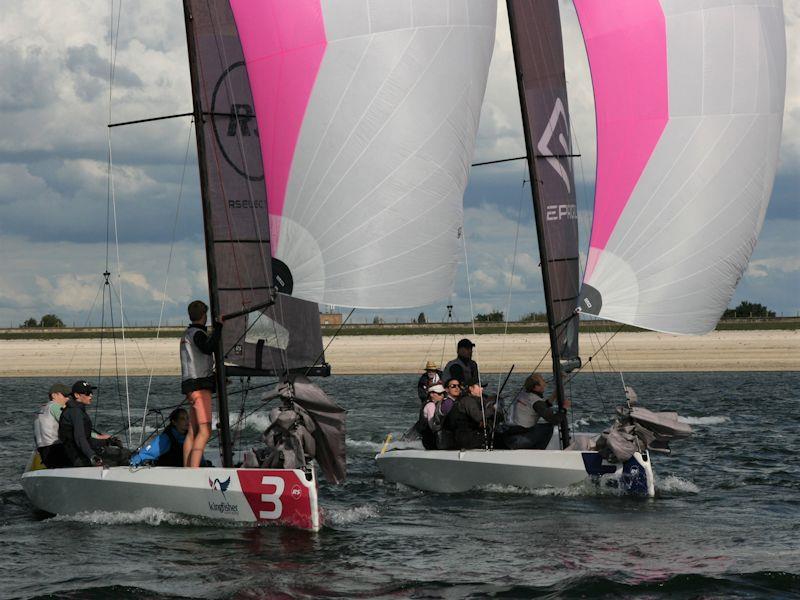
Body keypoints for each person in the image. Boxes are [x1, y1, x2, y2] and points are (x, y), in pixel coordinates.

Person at [180, 300, 222, 468]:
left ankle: (187, 468)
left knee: (193, 430)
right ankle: (194, 471)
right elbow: (208, 347)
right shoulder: (197, 334)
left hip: (190, 387)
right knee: (205, 431)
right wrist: (219, 328)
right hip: (199, 388)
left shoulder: (186, 334)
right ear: (204, 316)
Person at [59, 380, 130, 467]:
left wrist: (107, 442)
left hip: (84, 452)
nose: (91, 395)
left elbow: (86, 440)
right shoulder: (75, 412)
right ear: (77, 395)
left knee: (126, 453)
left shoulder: (77, 409)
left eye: (91, 392)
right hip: (79, 458)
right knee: (124, 459)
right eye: (87, 393)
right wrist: (92, 456)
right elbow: (80, 439)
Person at [502, 373, 568, 450]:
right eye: (543, 381)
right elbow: (554, 420)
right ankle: (538, 451)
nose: (545, 383)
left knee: (537, 426)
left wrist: (556, 392)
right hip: (518, 440)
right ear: (536, 387)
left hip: (508, 434)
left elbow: (543, 406)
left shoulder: (523, 394)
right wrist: (564, 409)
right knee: (548, 427)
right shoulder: (536, 401)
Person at [443, 377, 497, 450]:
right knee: (497, 438)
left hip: (469, 435)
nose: (482, 389)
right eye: (479, 386)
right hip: (464, 439)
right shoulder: (467, 400)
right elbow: (478, 417)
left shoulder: (476, 400)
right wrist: (492, 409)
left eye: (482, 387)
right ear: (471, 388)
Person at [33, 383, 71, 468]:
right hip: (55, 449)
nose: (68, 398)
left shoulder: (41, 409)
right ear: (54, 395)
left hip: (42, 451)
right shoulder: (55, 407)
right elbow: (71, 425)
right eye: (65, 395)